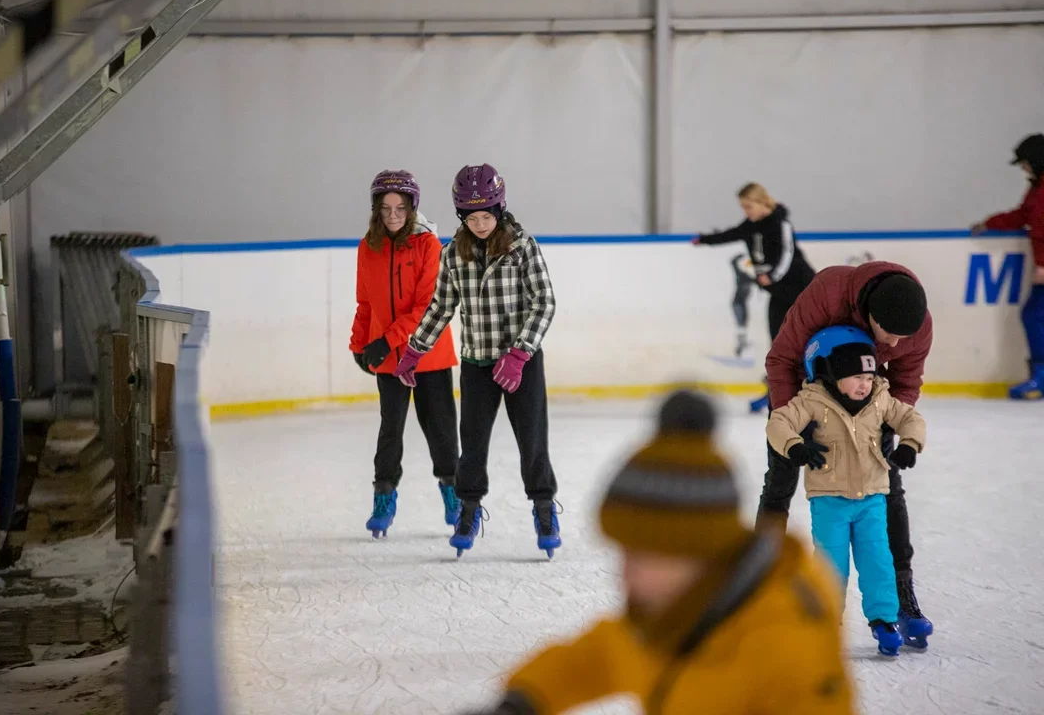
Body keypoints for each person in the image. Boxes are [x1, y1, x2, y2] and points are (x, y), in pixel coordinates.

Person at [461, 390, 857, 715]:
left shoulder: (787, 645)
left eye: (642, 557)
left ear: (701, 552)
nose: (625, 576)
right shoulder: (676, 610)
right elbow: (598, 657)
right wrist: (522, 702)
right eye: (624, 554)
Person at [762, 261, 933, 647]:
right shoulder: (828, 294)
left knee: (889, 488)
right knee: (780, 482)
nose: (894, 345)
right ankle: (759, 584)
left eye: (903, 337)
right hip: (804, 397)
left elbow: (907, 380)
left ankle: (901, 596)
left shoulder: (917, 324)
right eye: (888, 334)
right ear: (870, 315)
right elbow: (781, 360)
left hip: (867, 400)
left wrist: (887, 427)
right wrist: (796, 428)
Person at [393, 164, 561, 559]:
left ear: (499, 210)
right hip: (477, 364)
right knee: (471, 444)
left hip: (521, 363)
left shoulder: (523, 247)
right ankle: (467, 512)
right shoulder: (453, 254)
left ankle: (544, 509)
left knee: (532, 441)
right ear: (461, 217)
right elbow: (441, 307)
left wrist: (520, 352)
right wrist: (414, 350)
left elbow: (545, 302)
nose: (480, 225)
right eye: (471, 218)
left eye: (486, 216)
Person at [349, 170, 460, 538]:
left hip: (428, 353)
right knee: (390, 431)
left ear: (412, 208)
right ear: (376, 210)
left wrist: (386, 340)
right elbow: (365, 302)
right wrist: (358, 343)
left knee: (441, 430)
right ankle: (384, 496)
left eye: (400, 208)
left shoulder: (429, 245)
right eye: (386, 208)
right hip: (389, 359)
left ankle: (454, 494)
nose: (393, 215)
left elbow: (427, 306)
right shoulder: (368, 247)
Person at [694, 182, 816, 412]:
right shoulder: (750, 225)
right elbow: (731, 234)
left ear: (762, 203)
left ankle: (811, 385)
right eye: (743, 207)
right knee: (777, 341)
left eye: (748, 206)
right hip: (778, 293)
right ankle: (779, 387)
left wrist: (773, 275)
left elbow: (787, 253)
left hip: (801, 290)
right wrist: (705, 239)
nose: (746, 212)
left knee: (804, 340)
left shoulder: (780, 223)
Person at [971, 133, 1044, 399]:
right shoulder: (1037, 188)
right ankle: (1039, 375)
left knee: (1034, 315)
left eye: (1025, 163)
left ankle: (1041, 377)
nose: (1023, 168)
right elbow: (1023, 215)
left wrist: (1043, 265)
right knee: (1033, 315)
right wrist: (990, 222)